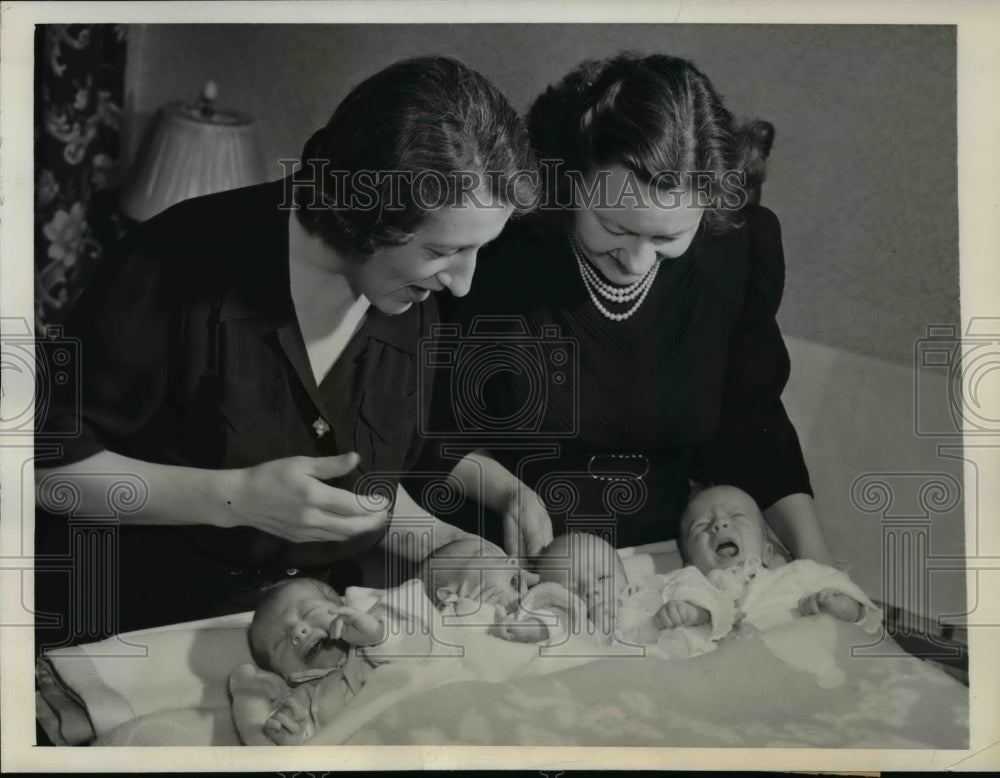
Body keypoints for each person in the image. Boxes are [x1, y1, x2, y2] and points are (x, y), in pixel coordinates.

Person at [33, 56, 538, 644]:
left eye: (479, 250)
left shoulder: (410, 292)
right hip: (136, 626)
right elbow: (43, 468)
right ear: (361, 216)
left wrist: (445, 543)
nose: (464, 283)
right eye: (442, 251)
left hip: (317, 623)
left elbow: (356, 483)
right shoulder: (173, 263)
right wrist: (233, 499)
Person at [431, 52, 836, 563]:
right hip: (504, 549)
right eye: (614, 227)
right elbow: (426, 429)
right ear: (571, 182)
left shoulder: (735, 251)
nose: (637, 259)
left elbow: (751, 422)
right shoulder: (499, 253)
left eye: (668, 236)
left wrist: (816, 560)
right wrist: (506, 493)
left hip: (670, 553)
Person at [615, 485, 881, 654]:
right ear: (688, 562)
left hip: (793, 659)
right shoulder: (687, 582)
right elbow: (638, 600)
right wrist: (684, 612)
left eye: (737, 517)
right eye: (701, 526)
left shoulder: (797, 574)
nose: (718, 524)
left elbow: (842, 588)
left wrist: (842, 605)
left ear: (767, 551)